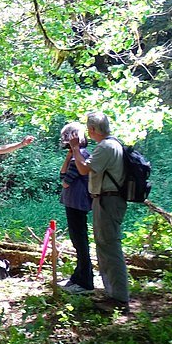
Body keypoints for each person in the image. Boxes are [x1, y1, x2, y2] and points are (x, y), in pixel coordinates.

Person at [68, 111, 129, 312]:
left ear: (93, 129)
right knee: (105, 245)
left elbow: (84, 169)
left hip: (108, 201)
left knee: (109, 246)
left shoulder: (106, 147)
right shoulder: (114, 144)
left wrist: (75, 149)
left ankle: (119, 298)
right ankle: (112, 293)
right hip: (107, 200)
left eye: (89, 128)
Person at [59, 122, 93, 294]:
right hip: (73, 203)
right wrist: (70, 153)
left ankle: (86, 281)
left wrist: (74, 151)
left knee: (80, 242)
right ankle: (78, 276)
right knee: (77, 241)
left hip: (78, 204)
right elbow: (62, 174)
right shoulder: (75, 156)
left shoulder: (82, 156)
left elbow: (65, 182)